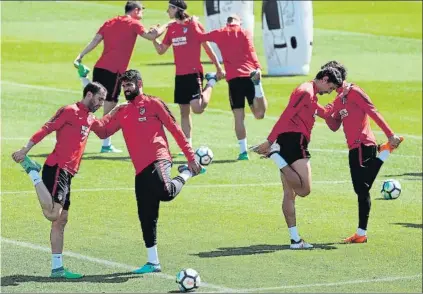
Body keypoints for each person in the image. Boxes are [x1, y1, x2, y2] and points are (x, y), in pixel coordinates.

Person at [94, 69, 205, 274]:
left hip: (159, 158)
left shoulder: (154, 103)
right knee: (146, 215)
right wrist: (89, 116)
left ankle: (186, 173)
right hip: (140, 168)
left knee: (166, 192)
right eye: (124, 86)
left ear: (139, 83)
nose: (126, 89)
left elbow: (175, 129)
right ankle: (153, 262)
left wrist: (190, 158)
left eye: (129, 85)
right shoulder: (122, 111)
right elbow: (103, 132)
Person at [11, 83, 119, 279]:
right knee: (53, 214)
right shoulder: (70, 111)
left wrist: (119, 111)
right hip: (57, 167)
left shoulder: (90, 117)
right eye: (100, 99)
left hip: (68, 173)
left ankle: (57, 269)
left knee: (61, 221)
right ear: (89, 94)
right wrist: (25, 150)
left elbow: (104, 132)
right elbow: (46, 128)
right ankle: (32, 171)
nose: (102, 103)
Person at [250, 67, 343, 249]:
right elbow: (286, 115)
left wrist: (341, 109)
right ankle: (275, 156)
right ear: (324, 79)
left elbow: (324, 114)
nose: (330, 92)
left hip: (288, 141)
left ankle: (295, 240)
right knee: (304, 190)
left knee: (289, 193)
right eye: (331, 88)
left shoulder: (310, 93)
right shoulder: (306, 92)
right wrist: (269, 142)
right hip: (295, 141)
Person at [320, 61, 404, 243]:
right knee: (362, 189)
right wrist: (321, 113)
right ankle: (384, 151)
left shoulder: (354, 92)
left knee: (362, 189)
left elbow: (373, 112)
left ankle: (361, 234)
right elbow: (333, 125)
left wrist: (391, 135)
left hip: (362, 145)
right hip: (354, 147)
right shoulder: (339, 99)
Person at [74, 1, 168, 153]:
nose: (142, 15)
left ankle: (84, 81)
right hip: (115, 71)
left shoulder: (110, 22)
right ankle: (106, 144)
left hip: (100, 67)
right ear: (136, 11)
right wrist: (167, 25)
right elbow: (152, 36)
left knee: (92, 102)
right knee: (110, 107)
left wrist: (81, 55)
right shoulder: (134, 23)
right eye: (141, 11)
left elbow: (95, 40)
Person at [152, 0, 225, 152]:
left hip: (193, 73)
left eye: (169, 9)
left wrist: (218, 67)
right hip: (180, 75)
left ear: (175, 9)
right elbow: (161, 50)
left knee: (197, 108)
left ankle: (210, 82)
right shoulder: (171, 28)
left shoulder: (193, 25)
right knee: (184, 112)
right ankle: (188, 147)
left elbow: (207, 47)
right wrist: (153, 37)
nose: (167, 11)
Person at [197, 15, 268, 160]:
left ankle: (243, 152)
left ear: (227, 22)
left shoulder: (220, 32)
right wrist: (258, 67)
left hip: (234, 79)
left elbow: (200, 37)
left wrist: (194, 23)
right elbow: (252, 51)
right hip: (249, 75)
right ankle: (258, 85)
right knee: (259, 114)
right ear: (239, 22)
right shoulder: (244, 32)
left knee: (238, 117)